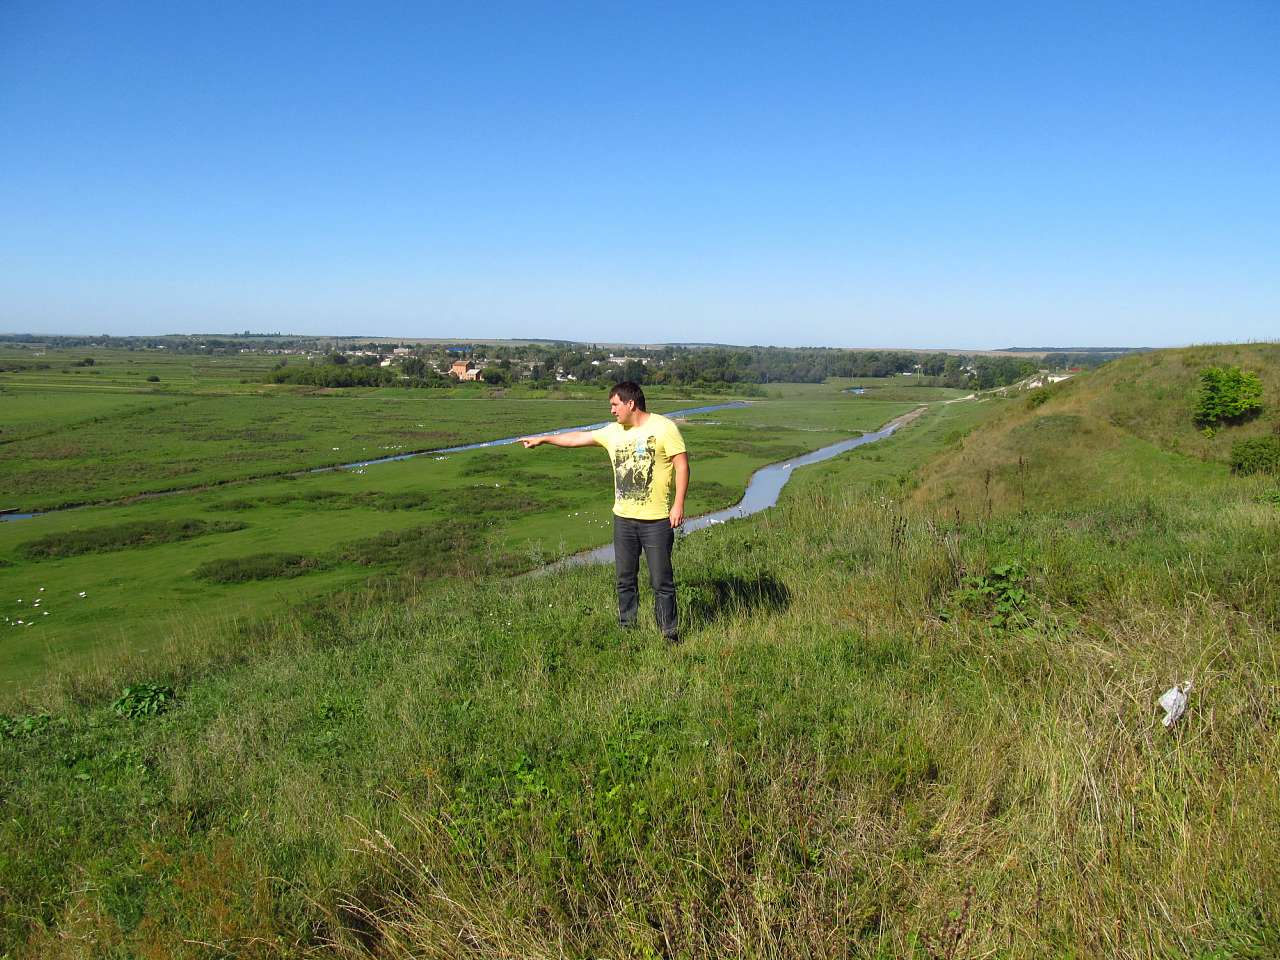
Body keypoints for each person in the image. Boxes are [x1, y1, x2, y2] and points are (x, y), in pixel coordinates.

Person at [521, 381, 688, 642]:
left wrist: (678, 505)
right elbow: (578, 437)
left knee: (661, 582)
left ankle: (669, 634)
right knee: (624, 579)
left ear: (630, 403)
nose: (611, 410)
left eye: (614, 404)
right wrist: (544, 439)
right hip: (623, 519)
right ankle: (627, 631)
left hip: (656, 521)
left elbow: (682, 465)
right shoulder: (613, 432)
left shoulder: (664, 428)